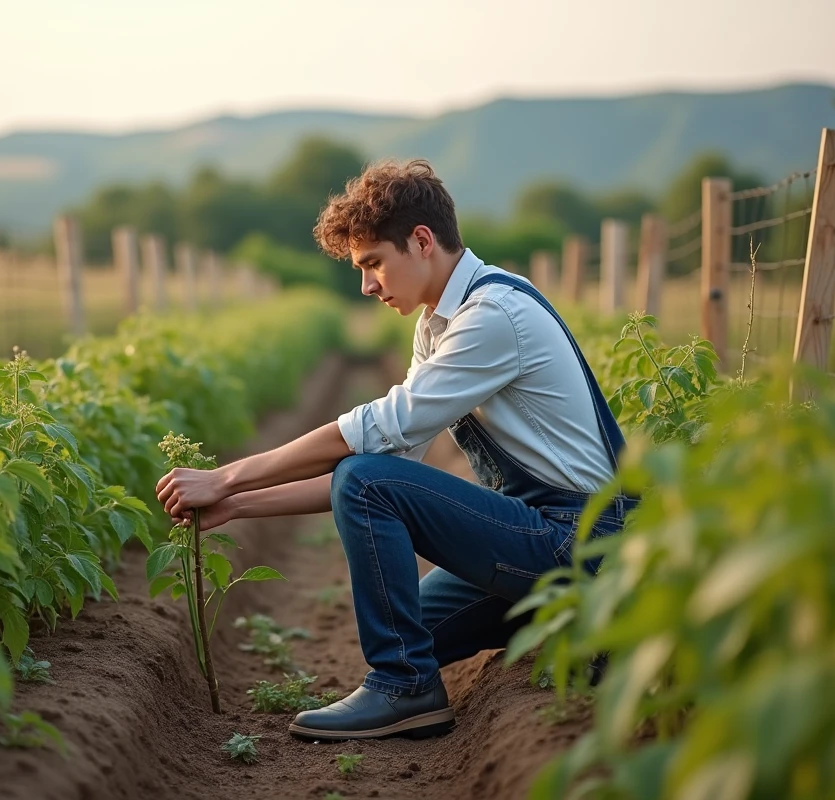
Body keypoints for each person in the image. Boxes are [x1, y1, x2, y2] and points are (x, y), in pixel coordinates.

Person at [155, 159, 636, 742]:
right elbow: (396, 459)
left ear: (422, 241)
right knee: (416, 626)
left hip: (582, 539)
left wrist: (227, 476)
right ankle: (568, 627)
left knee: (364, 483)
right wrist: (240, 505)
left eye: (373, 264)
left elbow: (374, 440)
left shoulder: (492, 317)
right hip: (544, 530)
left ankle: (407, 687)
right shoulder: (438, 324)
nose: (367, 285)